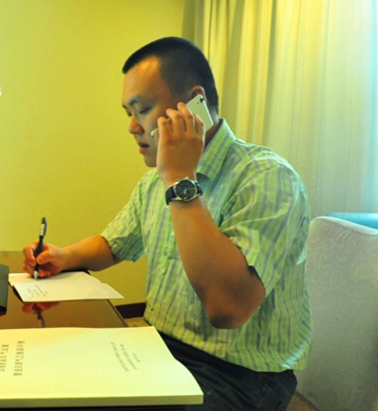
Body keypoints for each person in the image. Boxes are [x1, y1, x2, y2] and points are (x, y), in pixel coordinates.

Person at [22, 37, 312, 411]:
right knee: (48, 383)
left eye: (142, 110)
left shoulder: (267, 178)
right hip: (159, 349)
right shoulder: (156, 181)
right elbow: (113, 244)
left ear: (195, 105)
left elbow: (228, 307)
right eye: (128, 112)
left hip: (240, 377)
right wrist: (65, 255)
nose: (132, 126)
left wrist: (180, 180)